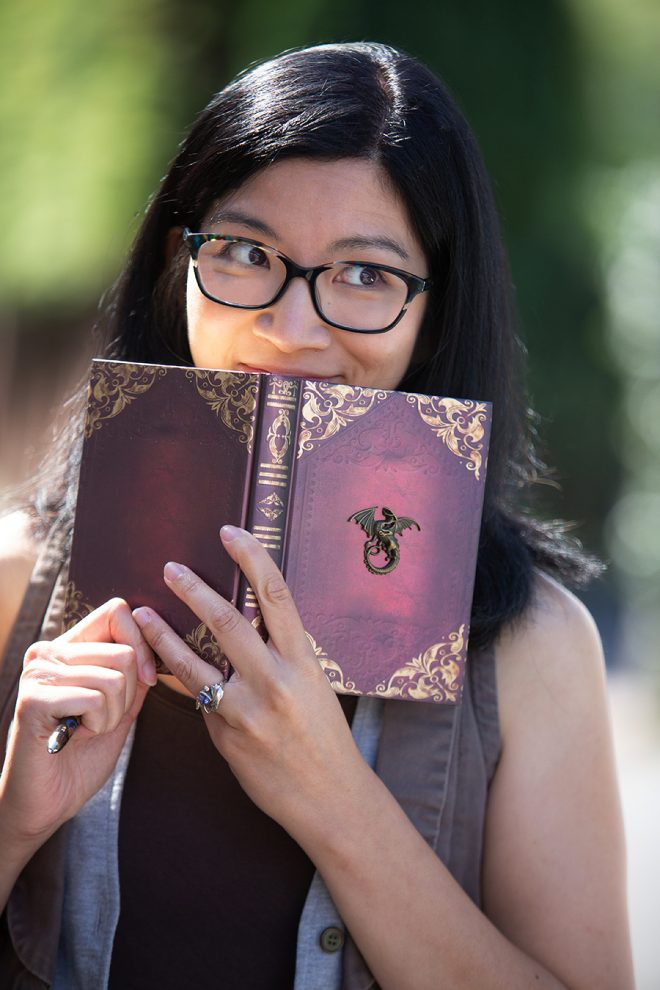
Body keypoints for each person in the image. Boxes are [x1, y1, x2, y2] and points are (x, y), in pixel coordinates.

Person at [0, 41, 634, 990]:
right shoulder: (17, 581)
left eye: (366, 275)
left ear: (437, 307)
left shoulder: (531, 650)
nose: (292, 329)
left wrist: (334, 799)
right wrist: (13, 820)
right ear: (180, 259)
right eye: (248, 254)